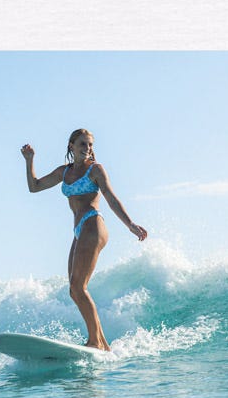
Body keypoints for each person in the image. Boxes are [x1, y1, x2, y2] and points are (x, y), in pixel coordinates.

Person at [21, 129, 148, 351]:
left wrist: (130, 225)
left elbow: (110, 198)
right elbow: (35, 187)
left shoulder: (95, 170)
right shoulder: (64, 172)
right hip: (79, 230)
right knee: (74, 290)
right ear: (71, 145)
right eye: (82, 144)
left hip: (93, 225)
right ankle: (103, 345)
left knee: (79, 287)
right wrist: (30, 160)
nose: (87, 148)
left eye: (89, 145)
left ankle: (95, 342)